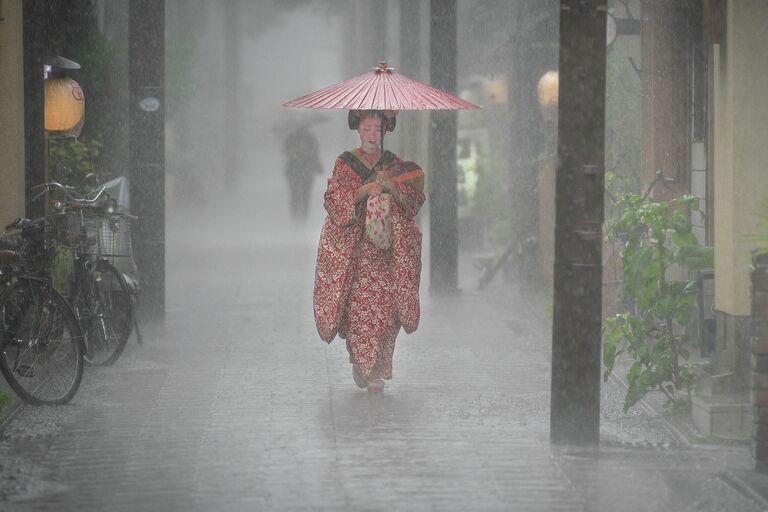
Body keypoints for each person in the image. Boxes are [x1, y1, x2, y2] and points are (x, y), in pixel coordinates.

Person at [313, 110, 425, 394]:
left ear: (385, 131)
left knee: (386, 311)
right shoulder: (345, 163)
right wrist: (364, 190)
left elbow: (413, 201)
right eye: (368, 128)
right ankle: (365, 366)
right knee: (362, 311)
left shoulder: (395, 165)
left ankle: (377, 367)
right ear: (359, 130)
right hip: (358, 252)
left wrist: (393, 188)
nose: (373, 134)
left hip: (387, 252)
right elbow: (334, 199)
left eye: (378, 128)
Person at [282, 125, 322, 220]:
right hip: (300, 169)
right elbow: (285, 151)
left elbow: (315, 151)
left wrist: (304, 152)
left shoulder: (307, 138)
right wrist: (296, 152)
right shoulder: (296, 138)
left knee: (302, 193)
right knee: (298, 193)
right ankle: (298, 215)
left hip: (302, 169)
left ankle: (301, 215)